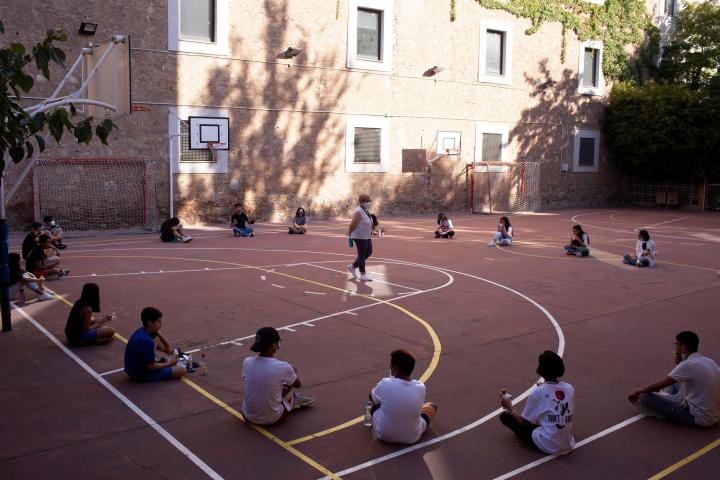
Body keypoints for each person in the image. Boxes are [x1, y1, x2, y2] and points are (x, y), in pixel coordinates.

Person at [628, 331, 720, 427]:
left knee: (644, 396)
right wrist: (680, 364)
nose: (676, 348)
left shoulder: (688, 365)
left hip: (697, 418)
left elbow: (662, 384)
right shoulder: (708, 361)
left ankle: (665, 410)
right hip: (714, 416)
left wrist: (638, 391)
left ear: (683, 347)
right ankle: (667, 399)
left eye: (677, 345)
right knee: (675, 382)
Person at [499, 351, 575, 455]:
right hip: (568, 443)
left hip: (549, 445)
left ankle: (538, 439)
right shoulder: (569, 388)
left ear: (541, 369)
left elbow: (523, 422)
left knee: (505, 417)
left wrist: (510, 407)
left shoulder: (538, 392)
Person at [241, 327, 315, 425]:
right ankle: (292, 400)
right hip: (273, 419)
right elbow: (297, 385)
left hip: (247, 416)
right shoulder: (282, 367)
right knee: (292, 370)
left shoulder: (247, 361)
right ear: (273, 346)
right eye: (277, 343)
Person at [369, 349, 438, 444]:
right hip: (412, 438)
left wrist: (379, 386)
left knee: (374, 405)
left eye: (391, 365)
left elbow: (371, 396)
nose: (390, 367)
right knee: (432, 406)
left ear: (396, 369)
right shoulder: (421, 387)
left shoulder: (385, 383)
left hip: (384, 435)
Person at [124, 307, 187, 382]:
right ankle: (171, 359)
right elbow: (151, 367)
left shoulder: (142, 330)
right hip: (140, 374)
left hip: (131, 369)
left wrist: (168, 346)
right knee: (182, 370)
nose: (161, 324)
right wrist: (169, 364)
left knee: (156, 339)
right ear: (150, 323)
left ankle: (172, 354)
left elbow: (157, 334)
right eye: (158, 321)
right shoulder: (147, 342)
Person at [347, 194, 374, 282]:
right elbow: (353, 224)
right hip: (359, 236)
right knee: (362, 254)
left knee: (368, 252)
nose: (369, 203)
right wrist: (349, 232)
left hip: (366, 235)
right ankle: (363, 274)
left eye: (369, 201)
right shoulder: (358, 211)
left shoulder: (365, 210)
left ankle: (352, 267)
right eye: (367, 201)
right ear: (361, 202)